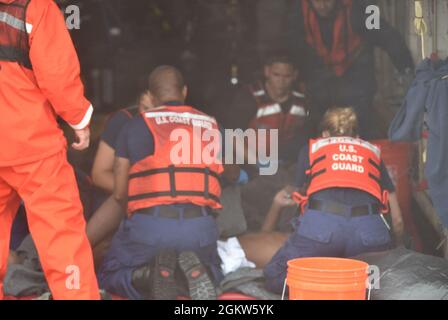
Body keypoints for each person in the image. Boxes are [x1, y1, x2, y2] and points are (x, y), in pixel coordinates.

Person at [0, 0, 99, 299]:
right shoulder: (37, 8)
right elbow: (56, 72)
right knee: (61, 237)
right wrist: (79, 118)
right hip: (34, 146)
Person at [99, 66, 224, 300]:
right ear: (184, 91)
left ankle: (145, 276)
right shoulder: (212, 125)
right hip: (199, 228)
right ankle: (188, 274)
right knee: (215, 271)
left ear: (151, 96)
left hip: (151, 227)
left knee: (109, 272)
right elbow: (219, 178)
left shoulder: (134, 125)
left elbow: (119, 193)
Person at [264, 107, 404, 294]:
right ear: (357, 136)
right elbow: (397, 221)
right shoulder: (372, 153)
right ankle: (351, 290)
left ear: (324, 134)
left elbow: (294, 191)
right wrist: (397, 251)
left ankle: (324, 289)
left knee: (275, 275)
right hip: (369, 234)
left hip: (321, 230)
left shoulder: (313, 148)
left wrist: (280, 199)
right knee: (378, 288)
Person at [287, 0, 414, 138]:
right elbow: (294, 46)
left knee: (362, 121)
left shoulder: (359, 7)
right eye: (317, 1)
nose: (322, 5)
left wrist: (406, 68)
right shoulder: (299, 10)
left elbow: (386, 35)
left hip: (355, 72)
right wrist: (299, 79)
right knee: (314, 121)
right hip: (320, 73)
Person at [228, 53, 307, 162]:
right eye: (276, 75)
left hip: (290, 166)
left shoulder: (303, 100)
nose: (281, 81)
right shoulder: (248, 97)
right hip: (253, 165)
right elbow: (232, 137)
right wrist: (258, 164)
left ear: (295, 75)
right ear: (267, 72)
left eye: (287, 76)